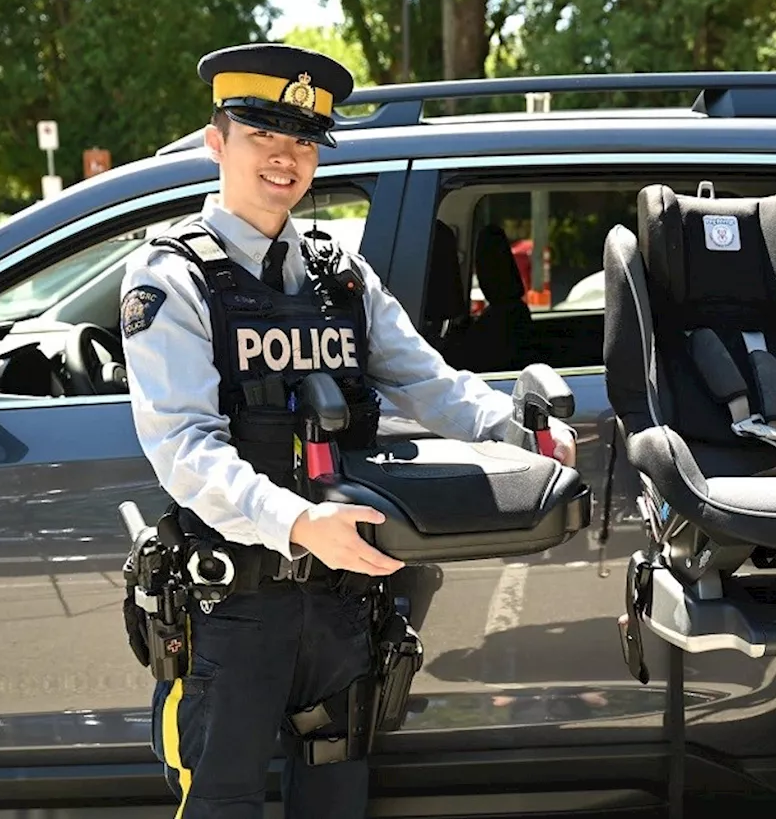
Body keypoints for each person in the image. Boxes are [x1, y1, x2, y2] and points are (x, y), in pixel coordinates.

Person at [118, 42, 575, 819]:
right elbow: (184, 447)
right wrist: (297, 523)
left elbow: (427, 381)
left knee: (336, 803)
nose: (285, 160)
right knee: (221, 805)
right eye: (263, 137)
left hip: (344, 602)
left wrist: (518, 428)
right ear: (216, 141)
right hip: (236, 608)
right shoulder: (172, 278)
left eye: (302, 143)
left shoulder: (341, 273)